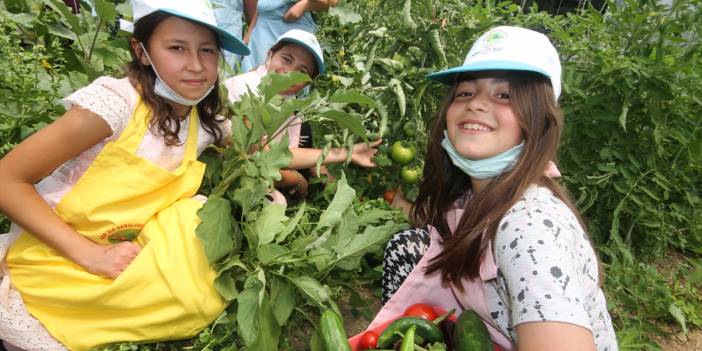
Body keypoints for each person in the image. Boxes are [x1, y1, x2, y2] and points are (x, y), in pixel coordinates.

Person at [0, 1, 249, 350]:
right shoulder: (115, 107)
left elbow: (257, 147)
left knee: (193, 223)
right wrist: (90, 255)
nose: (196, 65)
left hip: (124, 246)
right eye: (177, 47)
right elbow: (6, 179)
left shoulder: (201, 121)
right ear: (142, 51)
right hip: (62, 249)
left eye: (207, 50)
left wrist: (335, 158)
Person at [373, 26, 617, 351]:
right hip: (490, 335)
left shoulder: (532, 227)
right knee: (409, 246)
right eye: (465, 93)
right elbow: (441, 224)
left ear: (539, 120)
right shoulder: (475, 191)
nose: (476, 104)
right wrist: (397, 201)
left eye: (504, 95)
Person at [224, 29, 380, 204]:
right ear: (270, 55)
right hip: (229, 175)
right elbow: (263, 159)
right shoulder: (244, 90)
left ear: (307, 83)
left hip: (253, 172)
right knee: (276, 202)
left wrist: (346, 157)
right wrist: (298, 181)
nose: (289, 72)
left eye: (302, 71)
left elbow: (289, 155)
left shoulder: (290, 108)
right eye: (286, 59)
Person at [240, 0, 338, 73]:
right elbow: (261, 8)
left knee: (282, 87)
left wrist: (305, 5)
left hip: (290, 37)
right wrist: (250, 33)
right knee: (249, 83)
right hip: (260, 34)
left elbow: (332, 2)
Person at [212, 0, 258, 70]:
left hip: (229, 37)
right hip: (200, 29)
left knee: (225, 74)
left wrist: (248, 35)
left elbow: (251, 11)